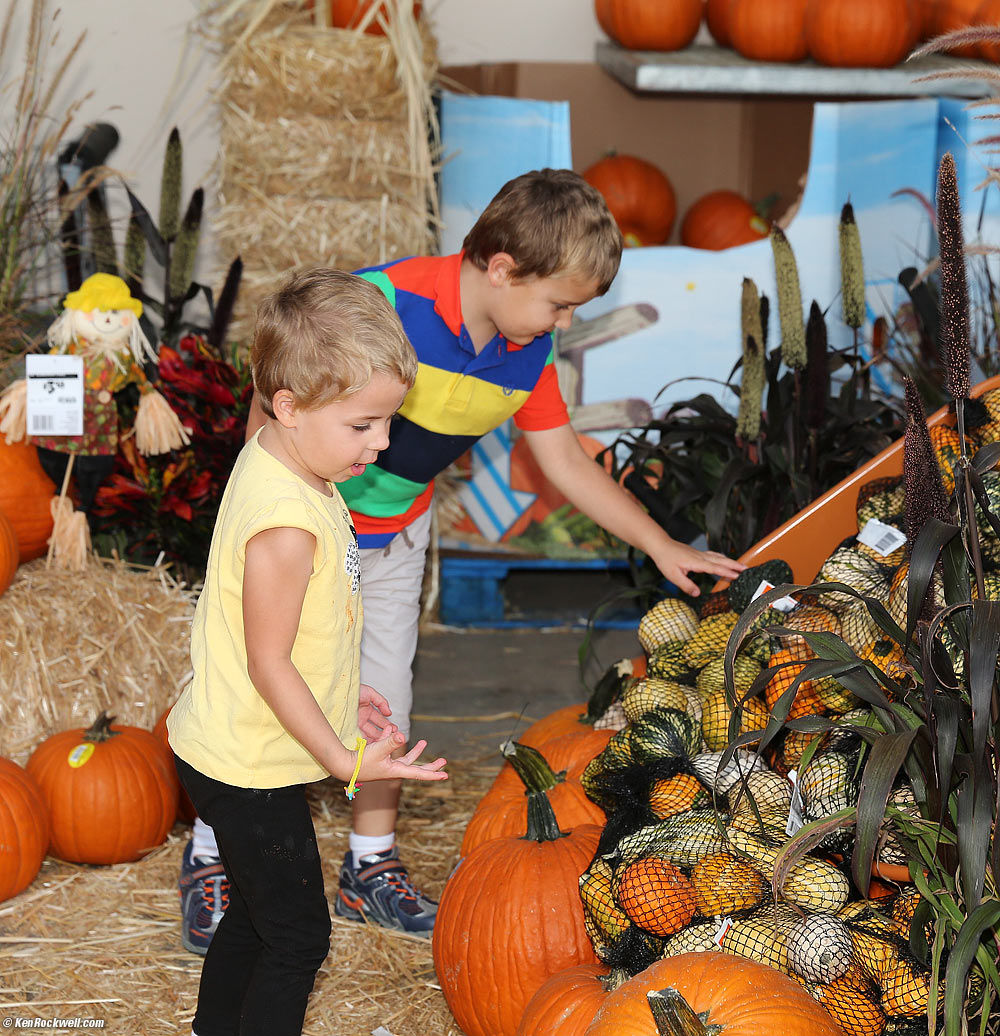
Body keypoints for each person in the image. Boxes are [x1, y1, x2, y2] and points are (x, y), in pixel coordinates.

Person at [179, 167, 744, 946]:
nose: (565, 321)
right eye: (561, 303)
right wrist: (273, 521)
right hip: (302, 540)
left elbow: (567, 464)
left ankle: (369, 866)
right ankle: (211, 852)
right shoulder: (380, 305)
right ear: (503, 268)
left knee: (385, 698)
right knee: (254, 691)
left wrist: (660, 542)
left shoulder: (527, 351)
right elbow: (281, 390)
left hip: (395, 539)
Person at [167, 267, 448, 1036]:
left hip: (240, 743)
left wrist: (339, 694)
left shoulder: (284, 452)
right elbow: (268, 661)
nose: (382, 442)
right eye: (363, 425)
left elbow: (294, 638)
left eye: (388, 420)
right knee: (297, 935)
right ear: (287, 406)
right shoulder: (286, 525)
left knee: (260, 916)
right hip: (246, 764)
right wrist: (345, 758)